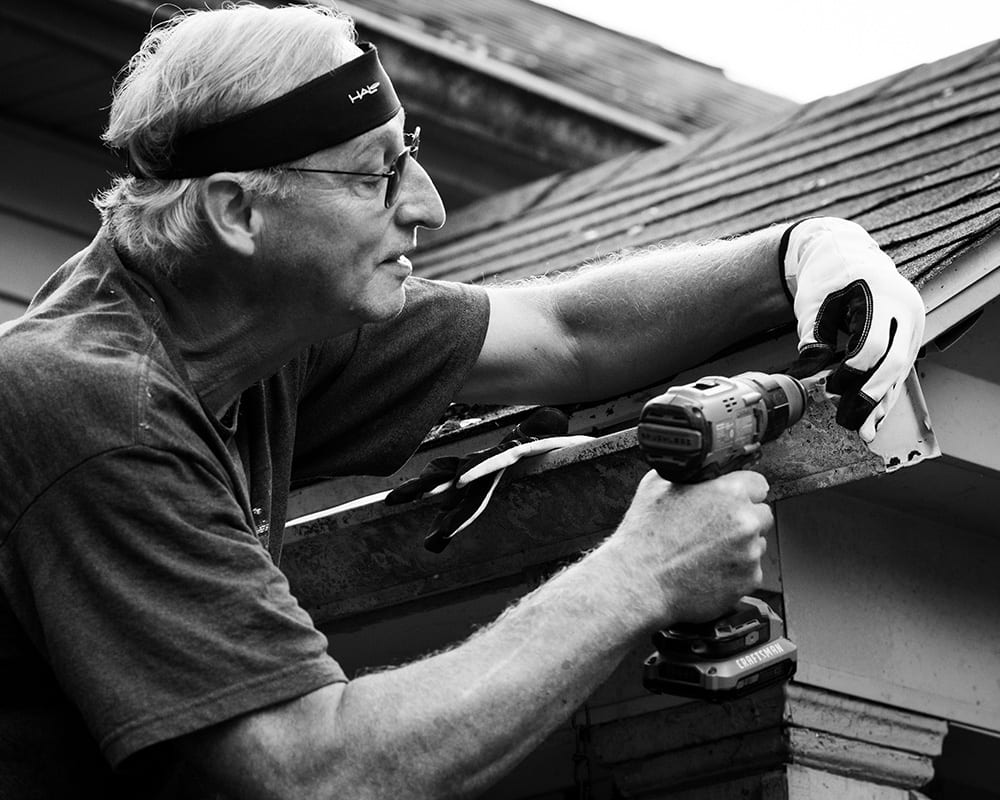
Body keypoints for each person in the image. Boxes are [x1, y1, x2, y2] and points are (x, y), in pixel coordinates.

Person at [0, 4, 924, 798]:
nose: (429, 207)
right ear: (240, 212)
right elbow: (310, 774)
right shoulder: (100, 411)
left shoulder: (258, 321)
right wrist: (639, 575)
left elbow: (567, 333)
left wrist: (796, 255)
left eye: (414, 158)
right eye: (374, 176)